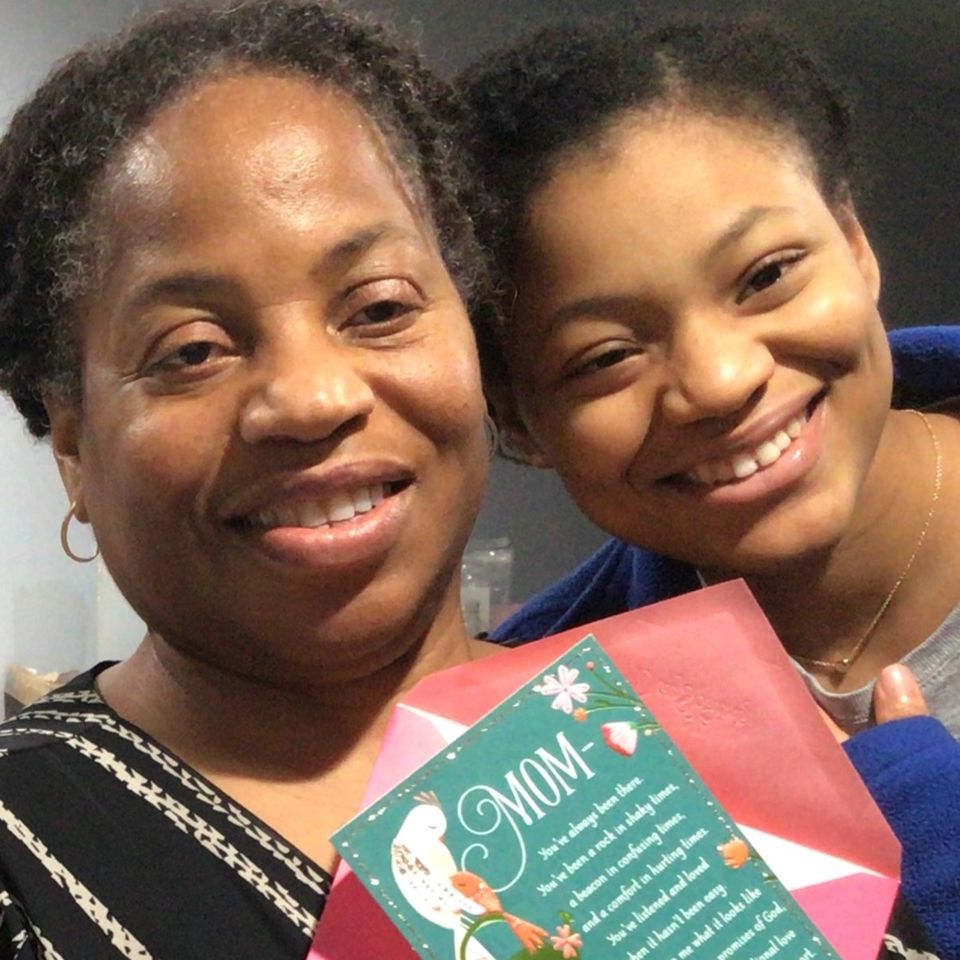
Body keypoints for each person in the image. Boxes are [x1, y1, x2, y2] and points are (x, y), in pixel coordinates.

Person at [0, 1, 502, 955]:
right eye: (192, 350)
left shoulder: (678, 739)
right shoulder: (22, 858)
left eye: (379, 307)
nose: (311, 398)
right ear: (72, 447)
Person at [457, 15, 960, 958]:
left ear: (854, 243)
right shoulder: (537, 747)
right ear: (518, 422)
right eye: (606, 355)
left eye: (767, 275)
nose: (721, 380)